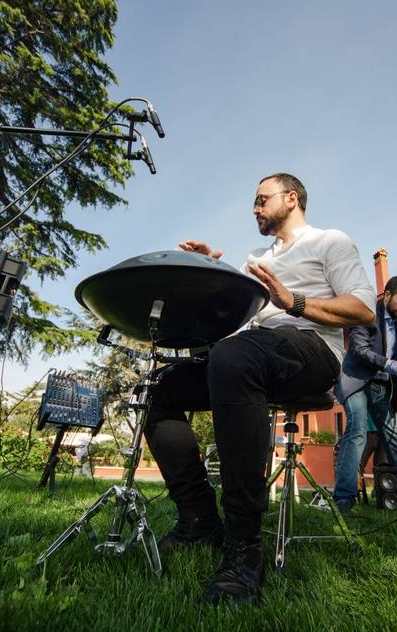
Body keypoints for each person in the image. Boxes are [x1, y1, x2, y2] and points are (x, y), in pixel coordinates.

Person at [143, 173, 375, 604]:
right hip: (254, 351)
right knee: (164, 388)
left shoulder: (330, 241)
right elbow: (237, 319)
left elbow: (363, 309)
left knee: (236, 357)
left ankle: (244, 543)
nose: (254, 208)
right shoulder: (257, 258)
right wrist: (209, 273)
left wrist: (296, 303)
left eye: (261, 199)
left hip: (312, 349)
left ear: (291, 198)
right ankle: (198, 519)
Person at [332, 275, 397, 513]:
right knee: (358, 428)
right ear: (387, 294)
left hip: (381, 382)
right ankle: (344, 500)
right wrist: (392, 366)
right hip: (355, 379)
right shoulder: (365, 312)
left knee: (393, 435)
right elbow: (359, 350)